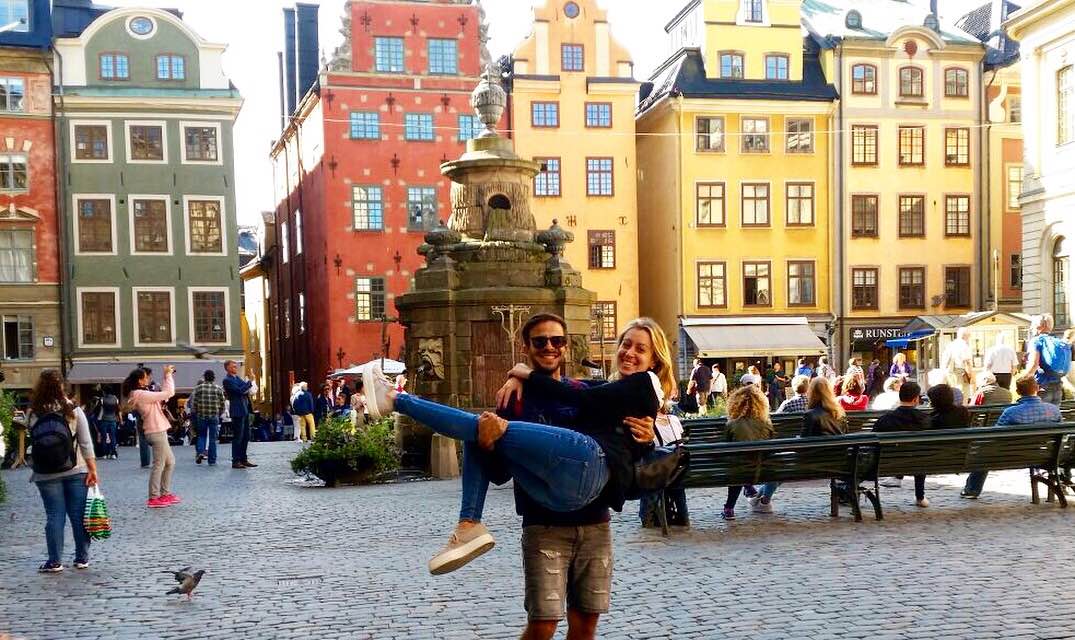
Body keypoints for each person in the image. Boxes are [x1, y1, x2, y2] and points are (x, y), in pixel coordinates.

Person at [363, 317, 676, 576]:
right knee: (482, 431)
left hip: (589, 470)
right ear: (527, 346)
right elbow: (582, 392)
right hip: (564, 494)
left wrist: (524, 374)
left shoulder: (644, 383)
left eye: (640, 348)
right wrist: (520, 376)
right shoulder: (612, 389)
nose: (629, 352)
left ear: (655, 360)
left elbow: (581, 397)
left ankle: (395, 399)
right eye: (626, 344)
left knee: (481, 425)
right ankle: (468, 525)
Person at [492, 314, 654, 640]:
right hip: (544, 526)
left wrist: (647, 438)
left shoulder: (585, 391)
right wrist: (488, 443)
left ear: (566, 347)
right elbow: (498, 474)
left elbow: (623, 451)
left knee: (585, 627)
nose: (549, 347)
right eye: (540, 341)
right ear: (526, 347)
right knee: (543, 626)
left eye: (557, 341)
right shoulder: (514, 399)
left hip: (595, 524)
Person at [28, 370, 99, 573]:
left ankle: (54, 561)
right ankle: (82, 558)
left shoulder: (33, 412)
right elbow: (85, 443)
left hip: (45, 473)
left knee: (54, 515)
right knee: (78, 516)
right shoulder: (73, 410)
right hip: (76, 469)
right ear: (62, 387)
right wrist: (93, 470)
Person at [962, 375, 1061, 498]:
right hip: (1045, 455)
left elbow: (995, 435)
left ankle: (972, 490)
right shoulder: (1053, 410)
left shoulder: (1011, 412)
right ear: (1037, 388)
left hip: (1011, 455)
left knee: (983, 454)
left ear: (1018, 392)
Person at [123, 366, 178, 508]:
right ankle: (153, 497)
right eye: (146, 377)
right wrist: (168, 375)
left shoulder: (141, 393)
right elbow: (169, 393)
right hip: (155, 430)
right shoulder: (140, 394)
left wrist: (166, 377)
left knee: (170, 462)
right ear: (140, 380)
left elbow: (164, 395)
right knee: (159, 464)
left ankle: (165, 493)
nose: (148, 379)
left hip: (158, 429)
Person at [873, 382, 932, 507]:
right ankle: (920, 497)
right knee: (920, 454)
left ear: (900, 397)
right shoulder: (925, 419)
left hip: (888, 462)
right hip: (919, 461)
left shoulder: (885, 419)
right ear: (916, 399)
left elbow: (873, 440)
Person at [721, 384, 775, 520]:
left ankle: (729, 508)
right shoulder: (766, 423)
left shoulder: (732, 424)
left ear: (735, 403)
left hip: (740, 469)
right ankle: (748, 487)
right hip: (763, 468)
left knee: (738, 467)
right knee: (744, 464)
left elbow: (725, 448)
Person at [1019, 314, 1066, 406]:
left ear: (1040, 326)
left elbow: (1034, 365)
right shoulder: (1057, 341)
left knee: (1038, 413)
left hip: (1042, 386)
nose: (1031, 328)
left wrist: (1022, 380)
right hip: (1058, 386)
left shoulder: (1036, 341)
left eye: (1033, 325)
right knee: (1053, 413)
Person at [222, 360, 257, 469]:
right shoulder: (227, 380)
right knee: (238, 437)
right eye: (233, 366)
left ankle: (243, 459)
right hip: (237, 410)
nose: (236, 368)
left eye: (236, 366)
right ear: (227, 368)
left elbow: (245, 388)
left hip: (244, 409)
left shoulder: (237, 378)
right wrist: (249, 382)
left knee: (246, 436)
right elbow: (240, 390)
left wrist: (247, 386)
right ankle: (236, 460)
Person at [189, 370, 226, 466]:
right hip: (214, 416)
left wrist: (196, 412)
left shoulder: (198, 388)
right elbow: (222, 404)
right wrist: (219, 413)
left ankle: (200, 452)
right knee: (213, 438)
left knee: (202, 435)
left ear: (204, 377)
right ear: (214, 378)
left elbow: (194, 404)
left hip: (201, 416)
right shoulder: (218, 388)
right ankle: (212, 460)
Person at [941, 327, 975, 404]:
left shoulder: (950, 345)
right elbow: (967, 362)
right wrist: (970, 376)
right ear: (966, 336)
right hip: (961, 372)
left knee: (953, 393)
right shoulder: (964, 346)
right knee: (963, 395)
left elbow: (944, 362)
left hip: (950, 372)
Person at [97, 390, 120, 460]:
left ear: (105, 392)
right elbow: (117, 410)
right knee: (113, 437)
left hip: (104, 419)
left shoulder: (102, 399)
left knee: (104, 437)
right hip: (113, 419)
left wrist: (98, 418)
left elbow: (99, 409)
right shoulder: (116, 399)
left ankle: (105, 454)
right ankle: (113, 453)